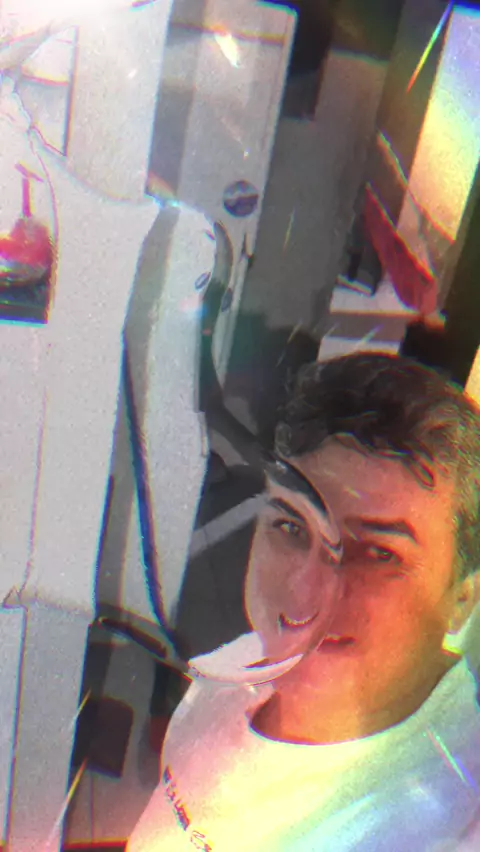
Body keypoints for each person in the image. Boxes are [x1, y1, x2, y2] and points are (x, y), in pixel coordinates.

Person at [127, 352, 480, 851]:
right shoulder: (243, 666)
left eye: (379, 553)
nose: (310, 589)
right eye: (292, 526)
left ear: (463, 596)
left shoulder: (451, 823)